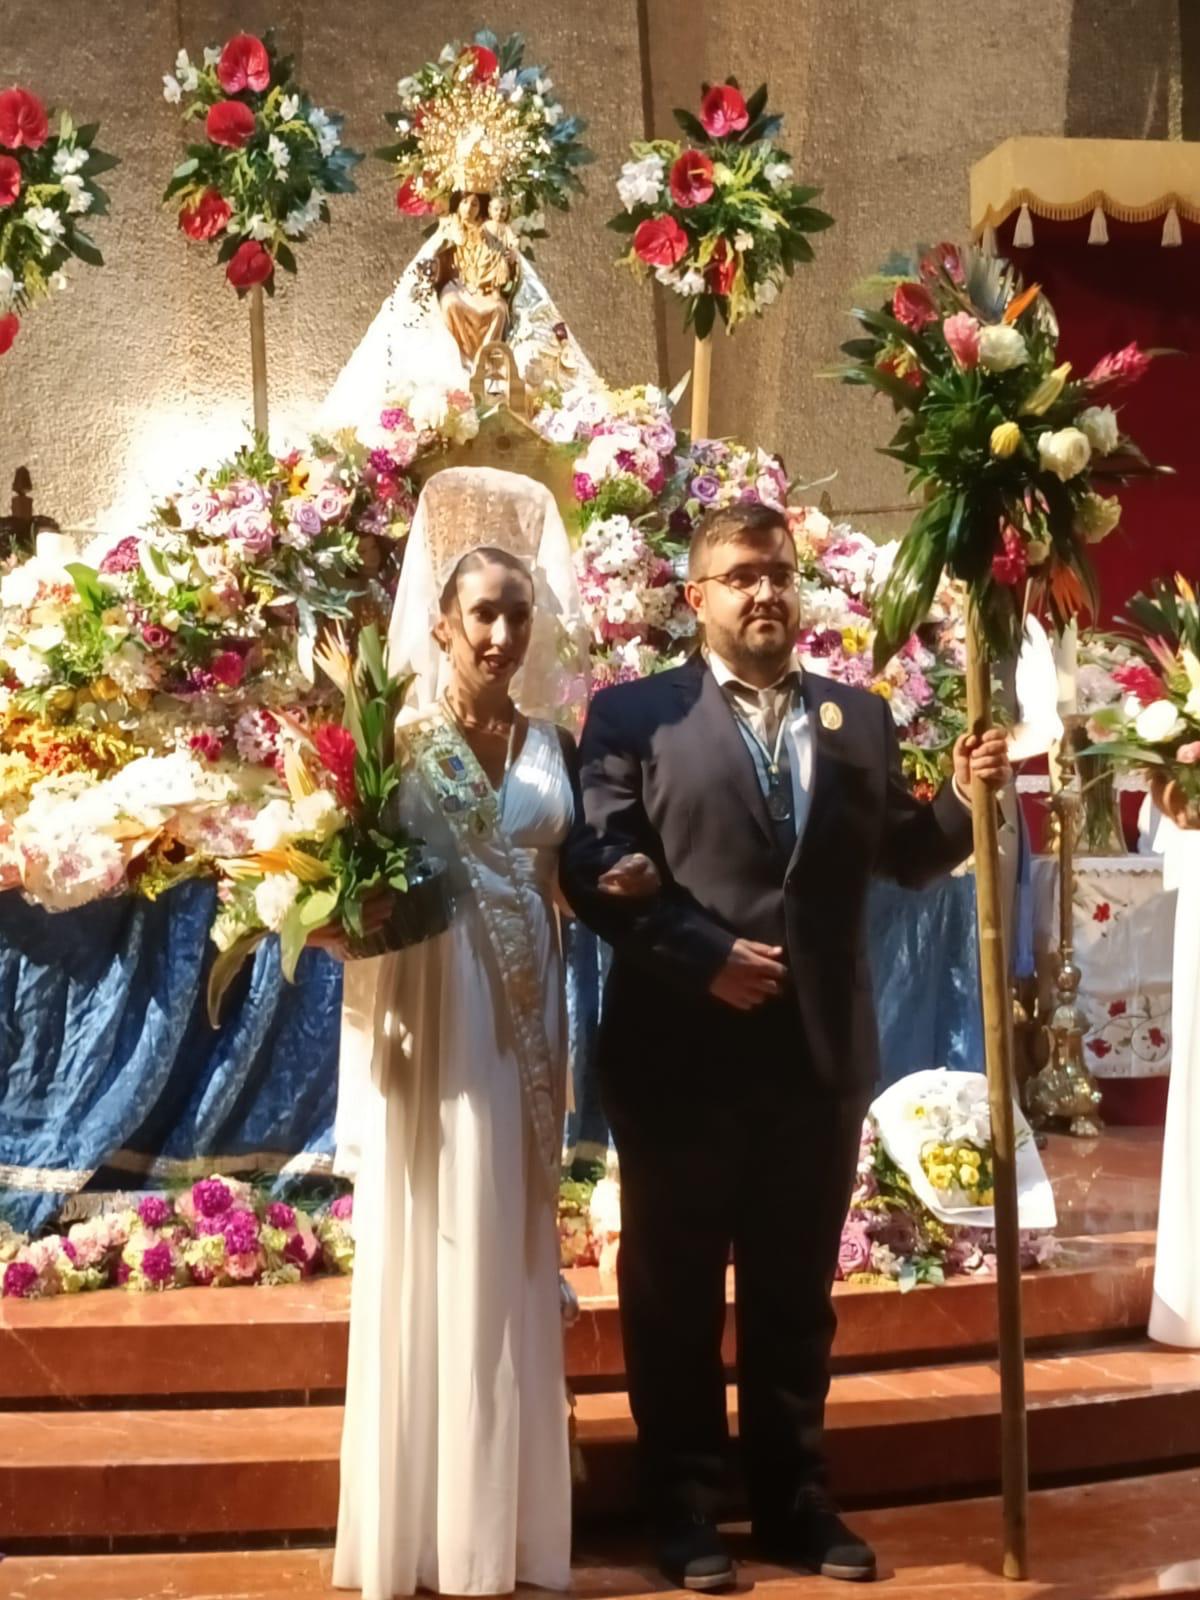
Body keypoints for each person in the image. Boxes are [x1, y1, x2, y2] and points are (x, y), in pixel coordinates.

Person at [561, 501, 1011, 1589]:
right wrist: (695, 950)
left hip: (814, 1062)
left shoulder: (858, 719)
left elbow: (904, 855)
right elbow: (597, 863)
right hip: (679, 1057)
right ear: (698, 595)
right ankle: (683, 1507)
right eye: (742, 573)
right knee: (672, 1296)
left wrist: (960, 796)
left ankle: (797, 1502)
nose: (766, 590)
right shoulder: (633, 716)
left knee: (792, 1295)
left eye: (780, 572)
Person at [326, 466, 642, 1598]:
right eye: (484, 614)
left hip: (527, 1013)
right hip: (436, 1007)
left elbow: (567, 877)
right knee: (440, 1231)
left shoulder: (555, 745)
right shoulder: (399, 742)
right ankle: (426, 1531)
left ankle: (501, 1527)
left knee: (508, 1235)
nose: (503, 632)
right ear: (445, 623)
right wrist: (337, 918)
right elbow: (351, 896)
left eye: (519, 612)